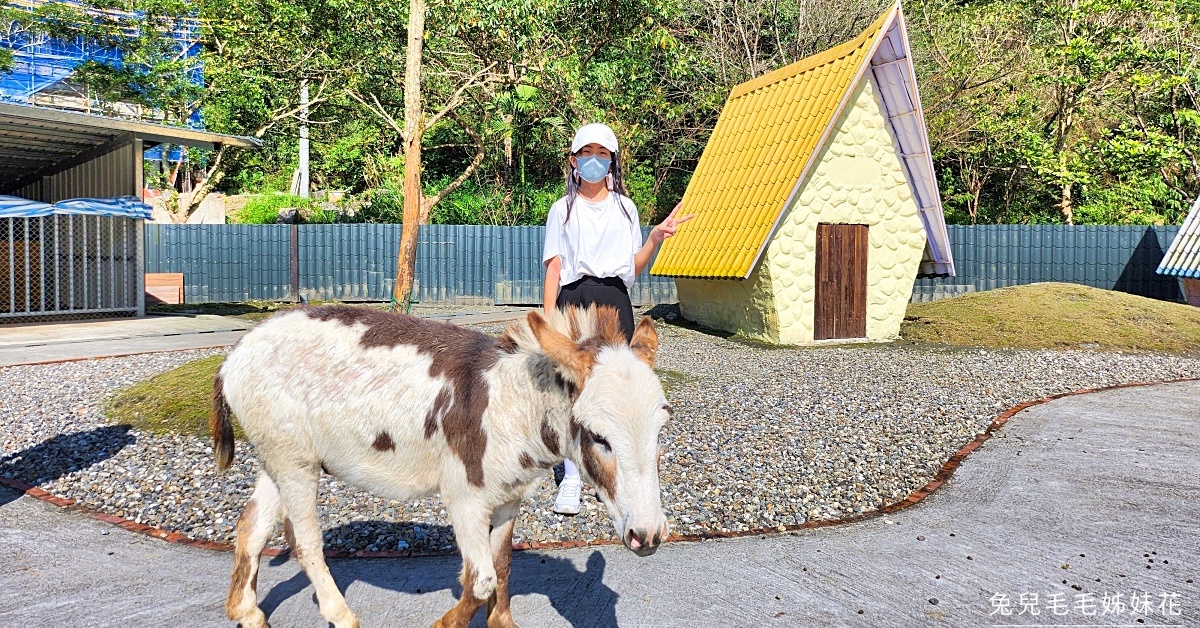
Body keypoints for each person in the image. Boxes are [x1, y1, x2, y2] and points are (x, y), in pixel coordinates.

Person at [542, 122, 693, 515]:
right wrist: (547, 323)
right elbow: (554, 268)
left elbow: (633, 267)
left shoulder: (626, 208)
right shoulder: (562, 209)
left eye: (603, 153)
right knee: (571, 389)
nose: (594, 160)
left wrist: (655, 239)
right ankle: (572, 477)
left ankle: (608, 474)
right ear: (574, 160)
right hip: (572, 300)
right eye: (586, 153)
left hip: (614, 299)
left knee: (613, 389)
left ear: (612, 161)